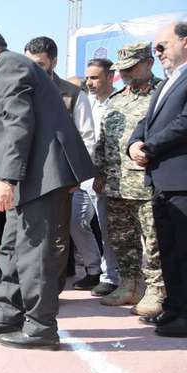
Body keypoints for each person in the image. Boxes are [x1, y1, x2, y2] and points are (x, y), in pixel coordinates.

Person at [0, 24, 94, 350]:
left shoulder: (10, 67)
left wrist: (6, 178)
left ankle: (40, 328)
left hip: (40, 179)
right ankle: (8, 314)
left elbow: (19, 124)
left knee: (36, 254)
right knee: (9, 249)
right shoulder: (9, 69)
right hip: (29, 178)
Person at [93, 42, 164, 317]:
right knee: (123, 239)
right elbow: (103, 141)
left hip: (147, 184)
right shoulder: (117, 99)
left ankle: (158, 289)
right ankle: (129, 285)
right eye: (122, 69)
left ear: (149, 63)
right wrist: (99, 172)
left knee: (154, 241)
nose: (126, 74)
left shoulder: (162, 95)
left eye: (132, 67)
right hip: (116, 183)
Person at [24, 36, 99, 291]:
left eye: (40, 64)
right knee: (28, 236)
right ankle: (30, 287)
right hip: (26, 177)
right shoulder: (20, 90)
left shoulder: (72, 95)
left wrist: (75, 177)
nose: (34, 69)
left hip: (61, 180)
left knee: (57, 236)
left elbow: (87, 138)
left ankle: (51, 292)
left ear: (54, 62)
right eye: (29, 63)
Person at [128, 22, 187, 336]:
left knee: (184, 249)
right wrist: (134, 144)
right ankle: (174, 308)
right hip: (161, 180)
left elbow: (184, 122)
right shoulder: (167, 82)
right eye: (156, 47)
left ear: (185, 43)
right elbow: (145, 122)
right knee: (169, 250)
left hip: (182, 179)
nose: (158, 52)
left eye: (163, 45)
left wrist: (149, 147)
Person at [82, 58, 120, 296]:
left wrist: (101, 174)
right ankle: (93, 269)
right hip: (83, 175)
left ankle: (110, 276)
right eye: (88, 78)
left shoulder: (118, 103)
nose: (90, 83)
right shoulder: (87, 103)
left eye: (95, 78)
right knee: (76, 223)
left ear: (110, 77)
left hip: (104, 176)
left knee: (106, 228)